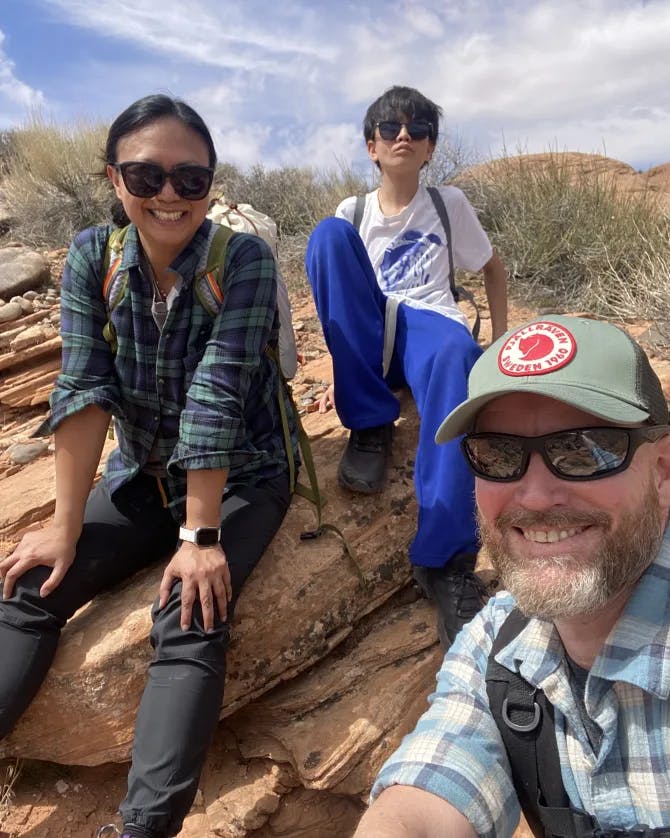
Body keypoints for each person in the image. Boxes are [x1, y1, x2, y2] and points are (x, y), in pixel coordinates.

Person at [0, 94, 298, 838]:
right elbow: (83, 386)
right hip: (142, 471)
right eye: (147, 175)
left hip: (244, 471)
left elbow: (219, 389)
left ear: (212, 183)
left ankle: (143, 827)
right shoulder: (90, 258)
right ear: (113, 178)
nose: (169, 195)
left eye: (190, 179)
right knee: (35, 583)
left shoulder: (244, 261)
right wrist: (65, 526)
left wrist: (200, 539)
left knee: (191, 613)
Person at [355, 314, 670, 837]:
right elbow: (424, 801)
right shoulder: (499, 645)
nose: (536, 496)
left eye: (585, 449)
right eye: (498, 454)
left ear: (662, 472)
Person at [305, 85, 508, 646]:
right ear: (371, 146)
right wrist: (336, 375)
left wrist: (500, 343)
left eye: (416, 129)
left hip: (428, 330)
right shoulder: (352, 213)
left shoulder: (448, 205)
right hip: (376, 338)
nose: (403, 136)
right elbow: (340, 306)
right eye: (390, 128)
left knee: (455, 352)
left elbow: (493, 267)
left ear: (429, 148)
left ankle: (444, 562)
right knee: (325, 237)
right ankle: (369, 424)